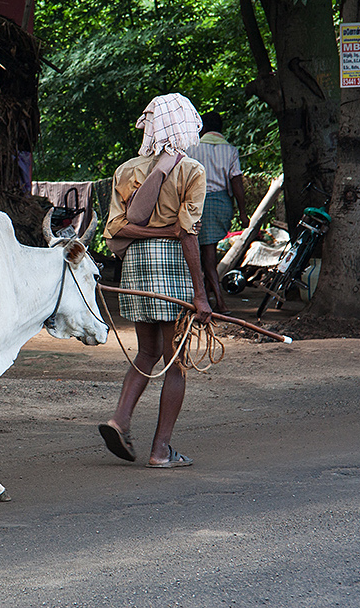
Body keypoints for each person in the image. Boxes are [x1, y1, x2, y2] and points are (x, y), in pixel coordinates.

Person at [99, 93, 212, 468]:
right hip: (173, 269)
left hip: (134, 268)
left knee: (146, 353)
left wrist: (146, 231)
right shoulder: (191, 170)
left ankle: (120, 419)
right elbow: (189, 233)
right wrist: (201, 295)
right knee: (176, 361)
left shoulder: (127, 169)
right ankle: (161, 451)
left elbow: (115, 228)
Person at [185, 111, 249, 314]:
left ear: (202, 127)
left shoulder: (192, 148)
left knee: (207, 255)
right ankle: (210, 298)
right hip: (222, 203)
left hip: (198, 204)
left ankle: (220, 303)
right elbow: (236, 182)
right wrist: (243, 212)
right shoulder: (230, 150)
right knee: (207, 252)